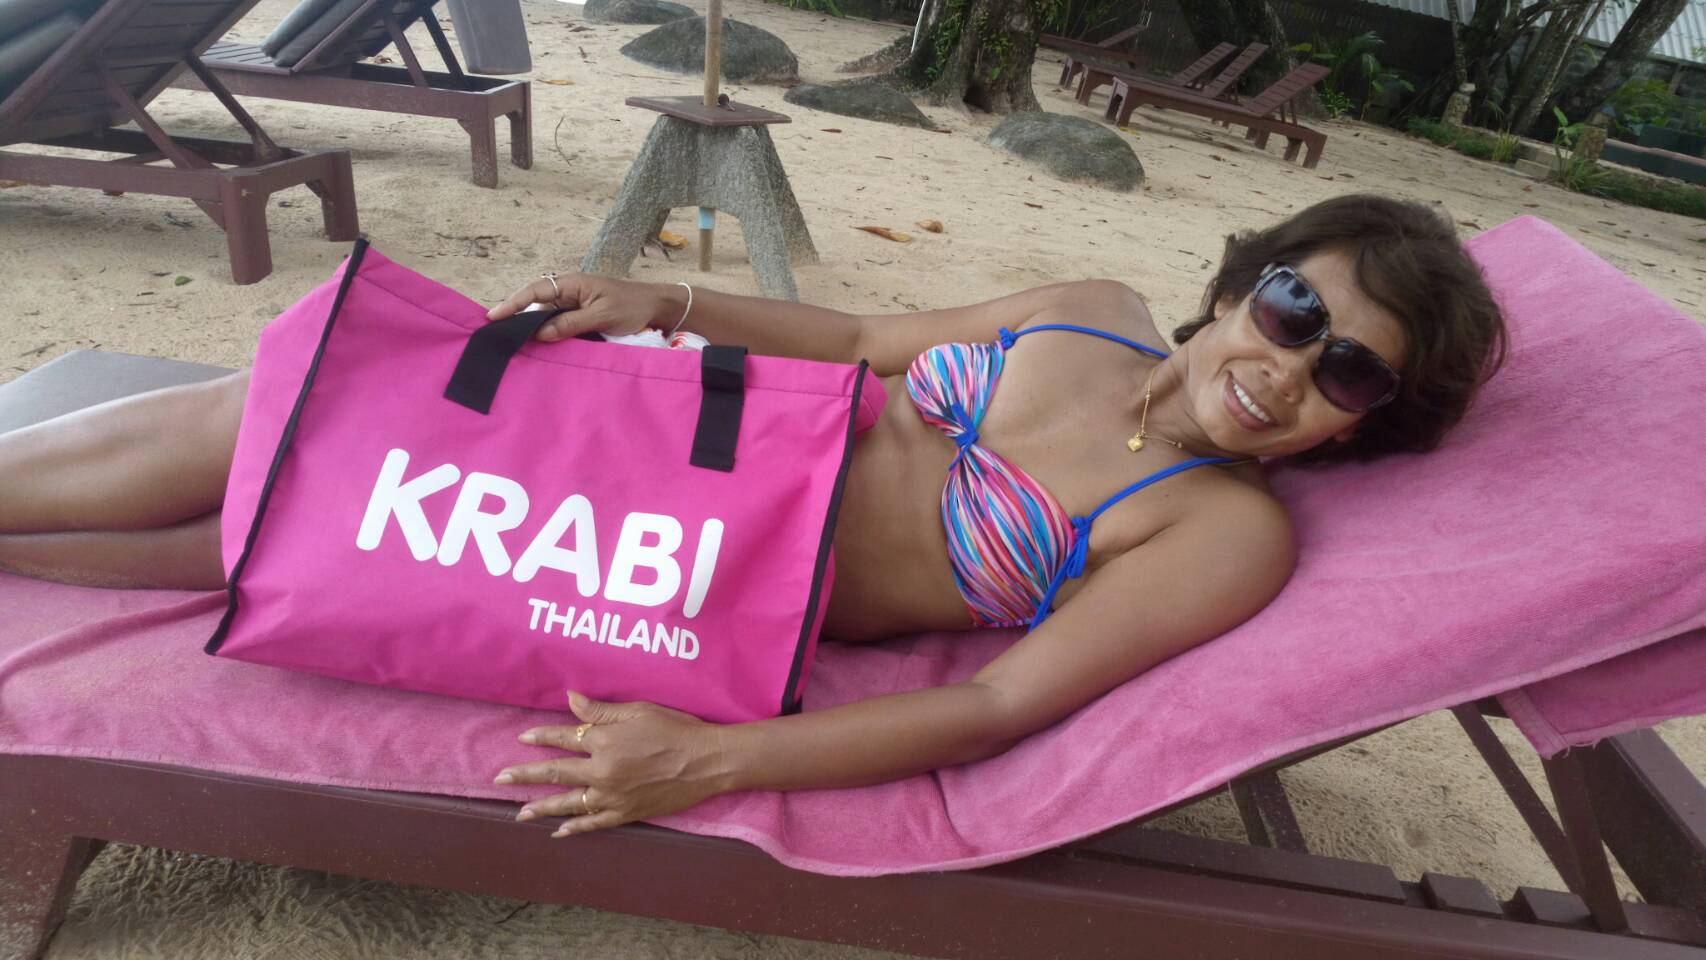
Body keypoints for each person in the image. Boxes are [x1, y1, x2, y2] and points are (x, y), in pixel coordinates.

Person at [0, 194, 1505, 838]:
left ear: (1365, 423)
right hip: (663, 421)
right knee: (290, 409)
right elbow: (855, 339)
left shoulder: (1220, 532)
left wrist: (711, 760)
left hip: (680, 569)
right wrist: (660, 298)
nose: (1289, 365)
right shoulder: (1086, 309)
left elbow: (997, 705)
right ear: (1243, 281)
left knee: (278, 522)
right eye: (1297, 307)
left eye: (1350, 373)